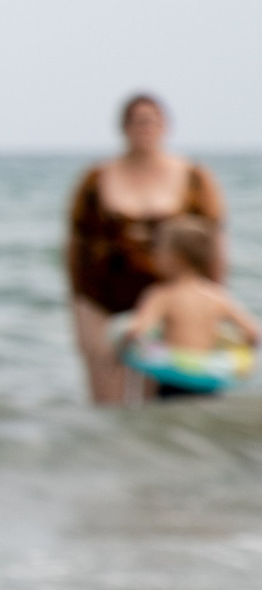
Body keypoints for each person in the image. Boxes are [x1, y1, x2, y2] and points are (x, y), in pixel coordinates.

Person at [66, 93, 228, 405]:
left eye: (151, 121)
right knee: (107, 403)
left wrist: (211, 302)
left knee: (160, 406)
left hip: (171, 302)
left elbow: (215, 245)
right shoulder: (95, 179)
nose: (144, 128)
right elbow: (75, 247)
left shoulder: (195, 178)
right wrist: (77, 306)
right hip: (102, 298)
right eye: (136, 121)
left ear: (165, 125)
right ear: (123, 127)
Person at [120, 216, 257, 399]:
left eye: (158, 248)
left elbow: (138, 331)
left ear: (175, 258)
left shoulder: (162, 295)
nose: (153, 255)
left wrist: (121, 345)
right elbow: (253, 334)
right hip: (209, 381)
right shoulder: (217, 295)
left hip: (173, 381)